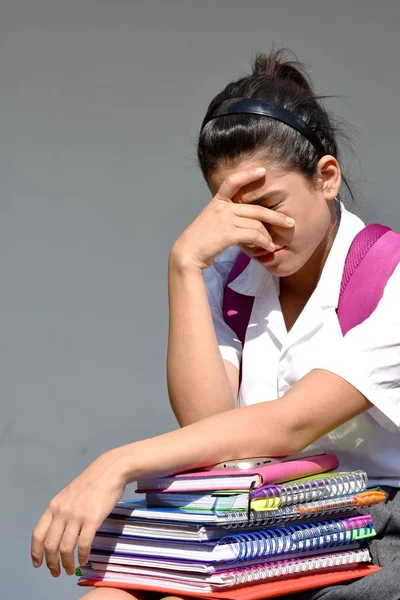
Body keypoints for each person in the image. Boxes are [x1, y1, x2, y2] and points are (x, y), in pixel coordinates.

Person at [31, 49, 400, 600]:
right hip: (258, 520)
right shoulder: (229, 279)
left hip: (370, 527)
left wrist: (118, 462)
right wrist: (185, 264)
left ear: (326, 178)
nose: (259, 234)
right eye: (236, 213)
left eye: (272, 205)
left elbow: (289, 427)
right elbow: (207, 430)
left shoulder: (388, 276)